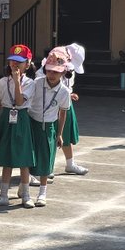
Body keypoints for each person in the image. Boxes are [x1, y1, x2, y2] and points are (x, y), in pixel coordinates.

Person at [0, 44, 36, 208]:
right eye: (12, 61)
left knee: (23, 158)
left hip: (21, 119)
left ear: (27, 64)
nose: (15, 64)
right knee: (7, 157)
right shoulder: (3, 81)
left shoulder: (30, 83)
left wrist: (17, 81)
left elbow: (19, 101)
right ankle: (3, 194)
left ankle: (26, 194)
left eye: (20, 61)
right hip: (7, 118)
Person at [26, 53, 74, 207]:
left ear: (63, 72)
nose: (52, 75)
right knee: (27, 157)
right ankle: (24, 188)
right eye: (49, 71)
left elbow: (63, 113)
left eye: (56, 72)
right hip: (32, 122)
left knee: (46, 159)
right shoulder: (37, 83)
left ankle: (42, 192)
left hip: (49, 126)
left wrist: (59, 134)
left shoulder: (64, 91)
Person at [54, 43, 90, 176]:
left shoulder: (70, 69)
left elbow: (67, 85)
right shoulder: (54, 61)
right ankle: (47, 167)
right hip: (52, 104)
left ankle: (70, 164)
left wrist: (69, 94)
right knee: (51, 135)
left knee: (66, 134)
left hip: (65, 102)